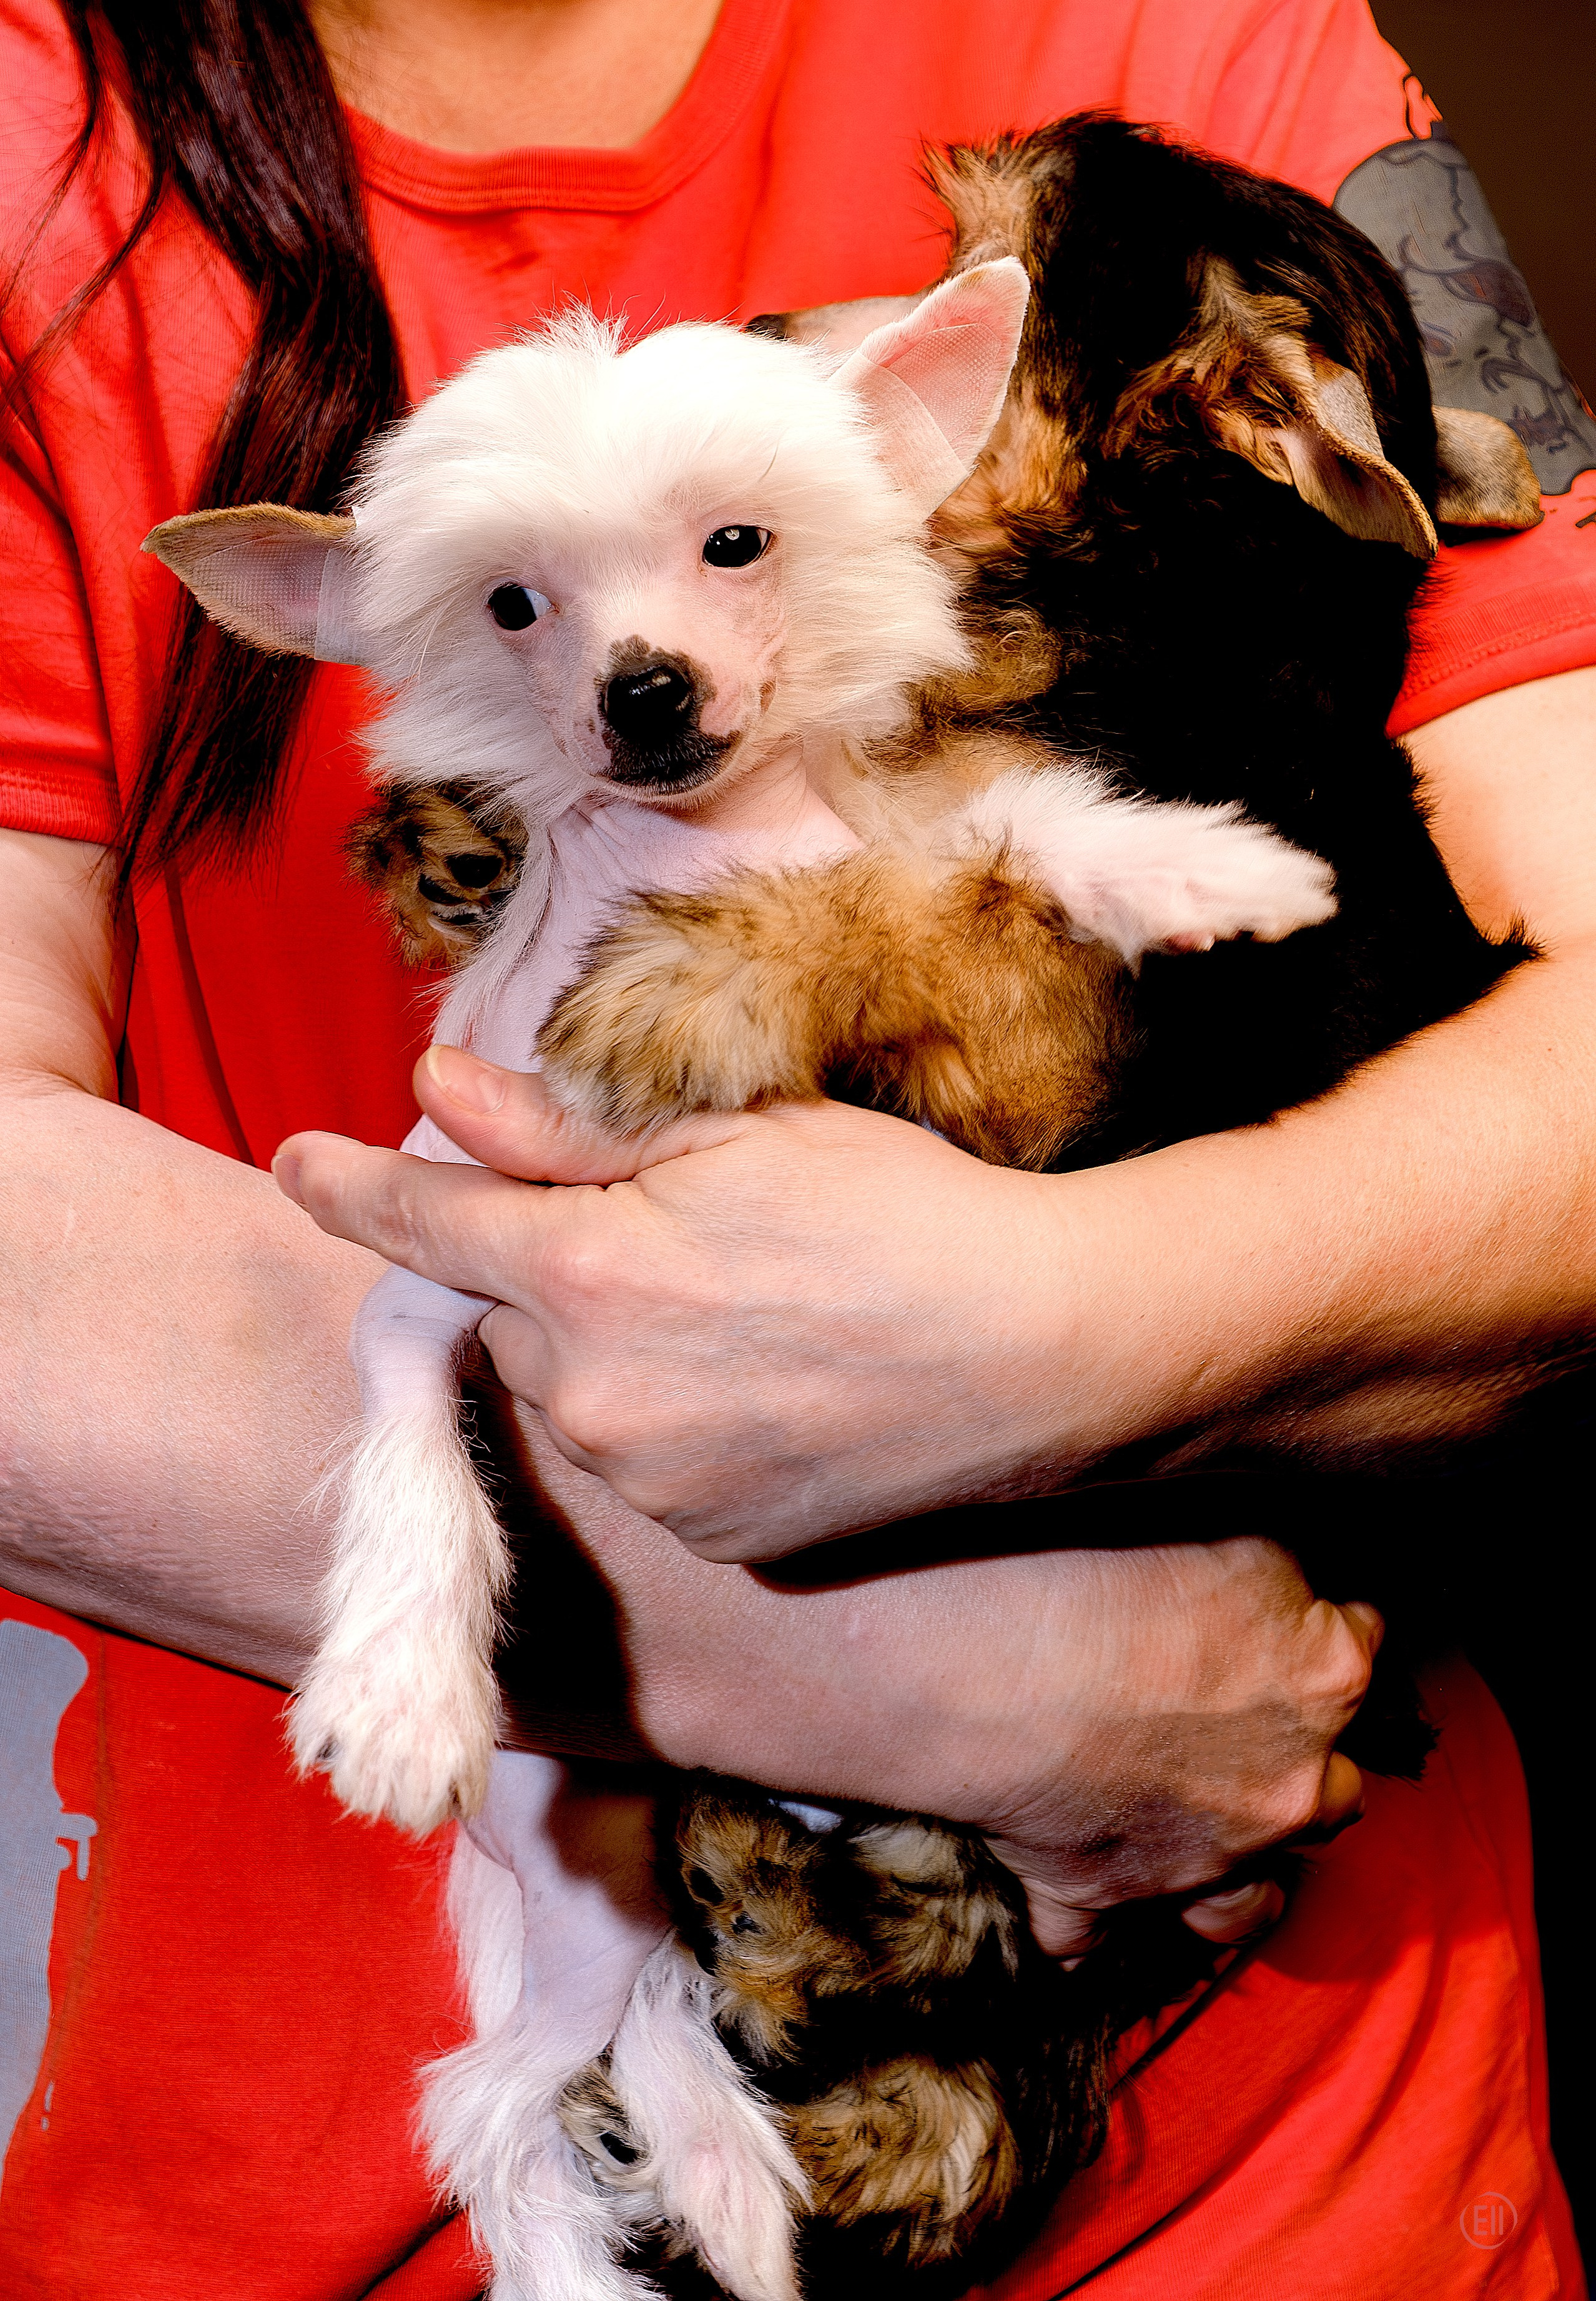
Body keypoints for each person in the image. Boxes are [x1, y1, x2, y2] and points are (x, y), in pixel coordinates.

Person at [0, 0, 1589, 2294]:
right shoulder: (50, 157)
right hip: (371, 2169)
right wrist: (982, 1689)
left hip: (1284, 2185)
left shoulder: (1187, 35)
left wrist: (1073, 1331)